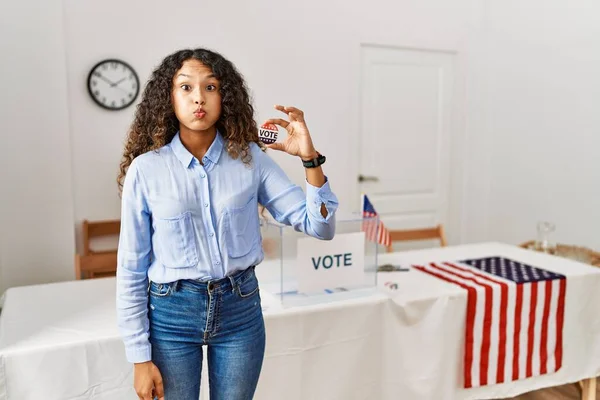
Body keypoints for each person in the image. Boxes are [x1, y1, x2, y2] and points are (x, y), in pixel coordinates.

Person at [115, 48, 338, 400]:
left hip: (240, 311)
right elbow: (131, 266)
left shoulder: (251, 160)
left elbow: (320, 226)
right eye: (186, 88)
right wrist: (139, 357)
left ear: (225, 96)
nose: (199, 98)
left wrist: (310, 158)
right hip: (171, 316)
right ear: (168, 98)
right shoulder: (146, 169)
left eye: (211, 87)